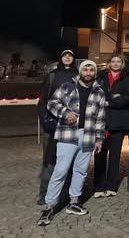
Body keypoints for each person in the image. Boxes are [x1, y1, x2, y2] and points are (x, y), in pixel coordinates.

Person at [37, 61, 106, 226]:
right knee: (60, 170)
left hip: (88, 136)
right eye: (85, 69)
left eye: (91, 69)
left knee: (81, 171)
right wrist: (66, 112)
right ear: (81, 71)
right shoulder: (67, 86)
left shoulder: (99, 92)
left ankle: (74, 202)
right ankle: (49, 206)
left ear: (95, 73)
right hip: (68, 135)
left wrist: (99, 139)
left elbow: (101, 117)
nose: (88, 72)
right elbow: (52, 103)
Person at [36, 49, 78, 205]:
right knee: (49, 160)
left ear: (73, 59)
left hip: (70, 125)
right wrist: (45, 120)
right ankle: (44, 193)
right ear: (60, 58)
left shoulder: (78, 75)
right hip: (52, 124)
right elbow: (43, 101)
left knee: (68, 160)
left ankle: (65, 194)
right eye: (64, 55)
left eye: (70, 55)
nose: (67, 57)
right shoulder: (52, 76)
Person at [93, 55, 129, 197]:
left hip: (118, 123)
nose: (116, 64)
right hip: (101, 122)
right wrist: (114, 96)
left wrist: (109, 101)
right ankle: (99, 187)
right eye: (113, 61)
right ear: (109, 63)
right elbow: (97, 95)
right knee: (99, 155)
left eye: (118, 61)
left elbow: (128, 98)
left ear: (122, 64)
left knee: (115, 156)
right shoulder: (101, 78)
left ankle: (111, 186)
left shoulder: (127, 79)